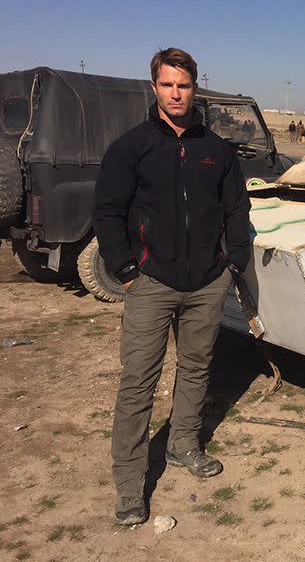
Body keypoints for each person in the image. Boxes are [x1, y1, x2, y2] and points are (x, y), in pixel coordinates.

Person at [93, 47, 251, 526]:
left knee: (196, 367)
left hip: (206, 282)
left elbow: (236, 211)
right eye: (167, 85)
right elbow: (107, 212)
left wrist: (232, 262)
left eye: (183, 85)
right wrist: (126, 268)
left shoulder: (216, 150)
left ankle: (184, 444)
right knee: (137, 382)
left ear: (195, 88)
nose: (176, 93)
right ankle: (129, 485)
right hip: (151, 283)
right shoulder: (131, 147)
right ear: (154, 87)